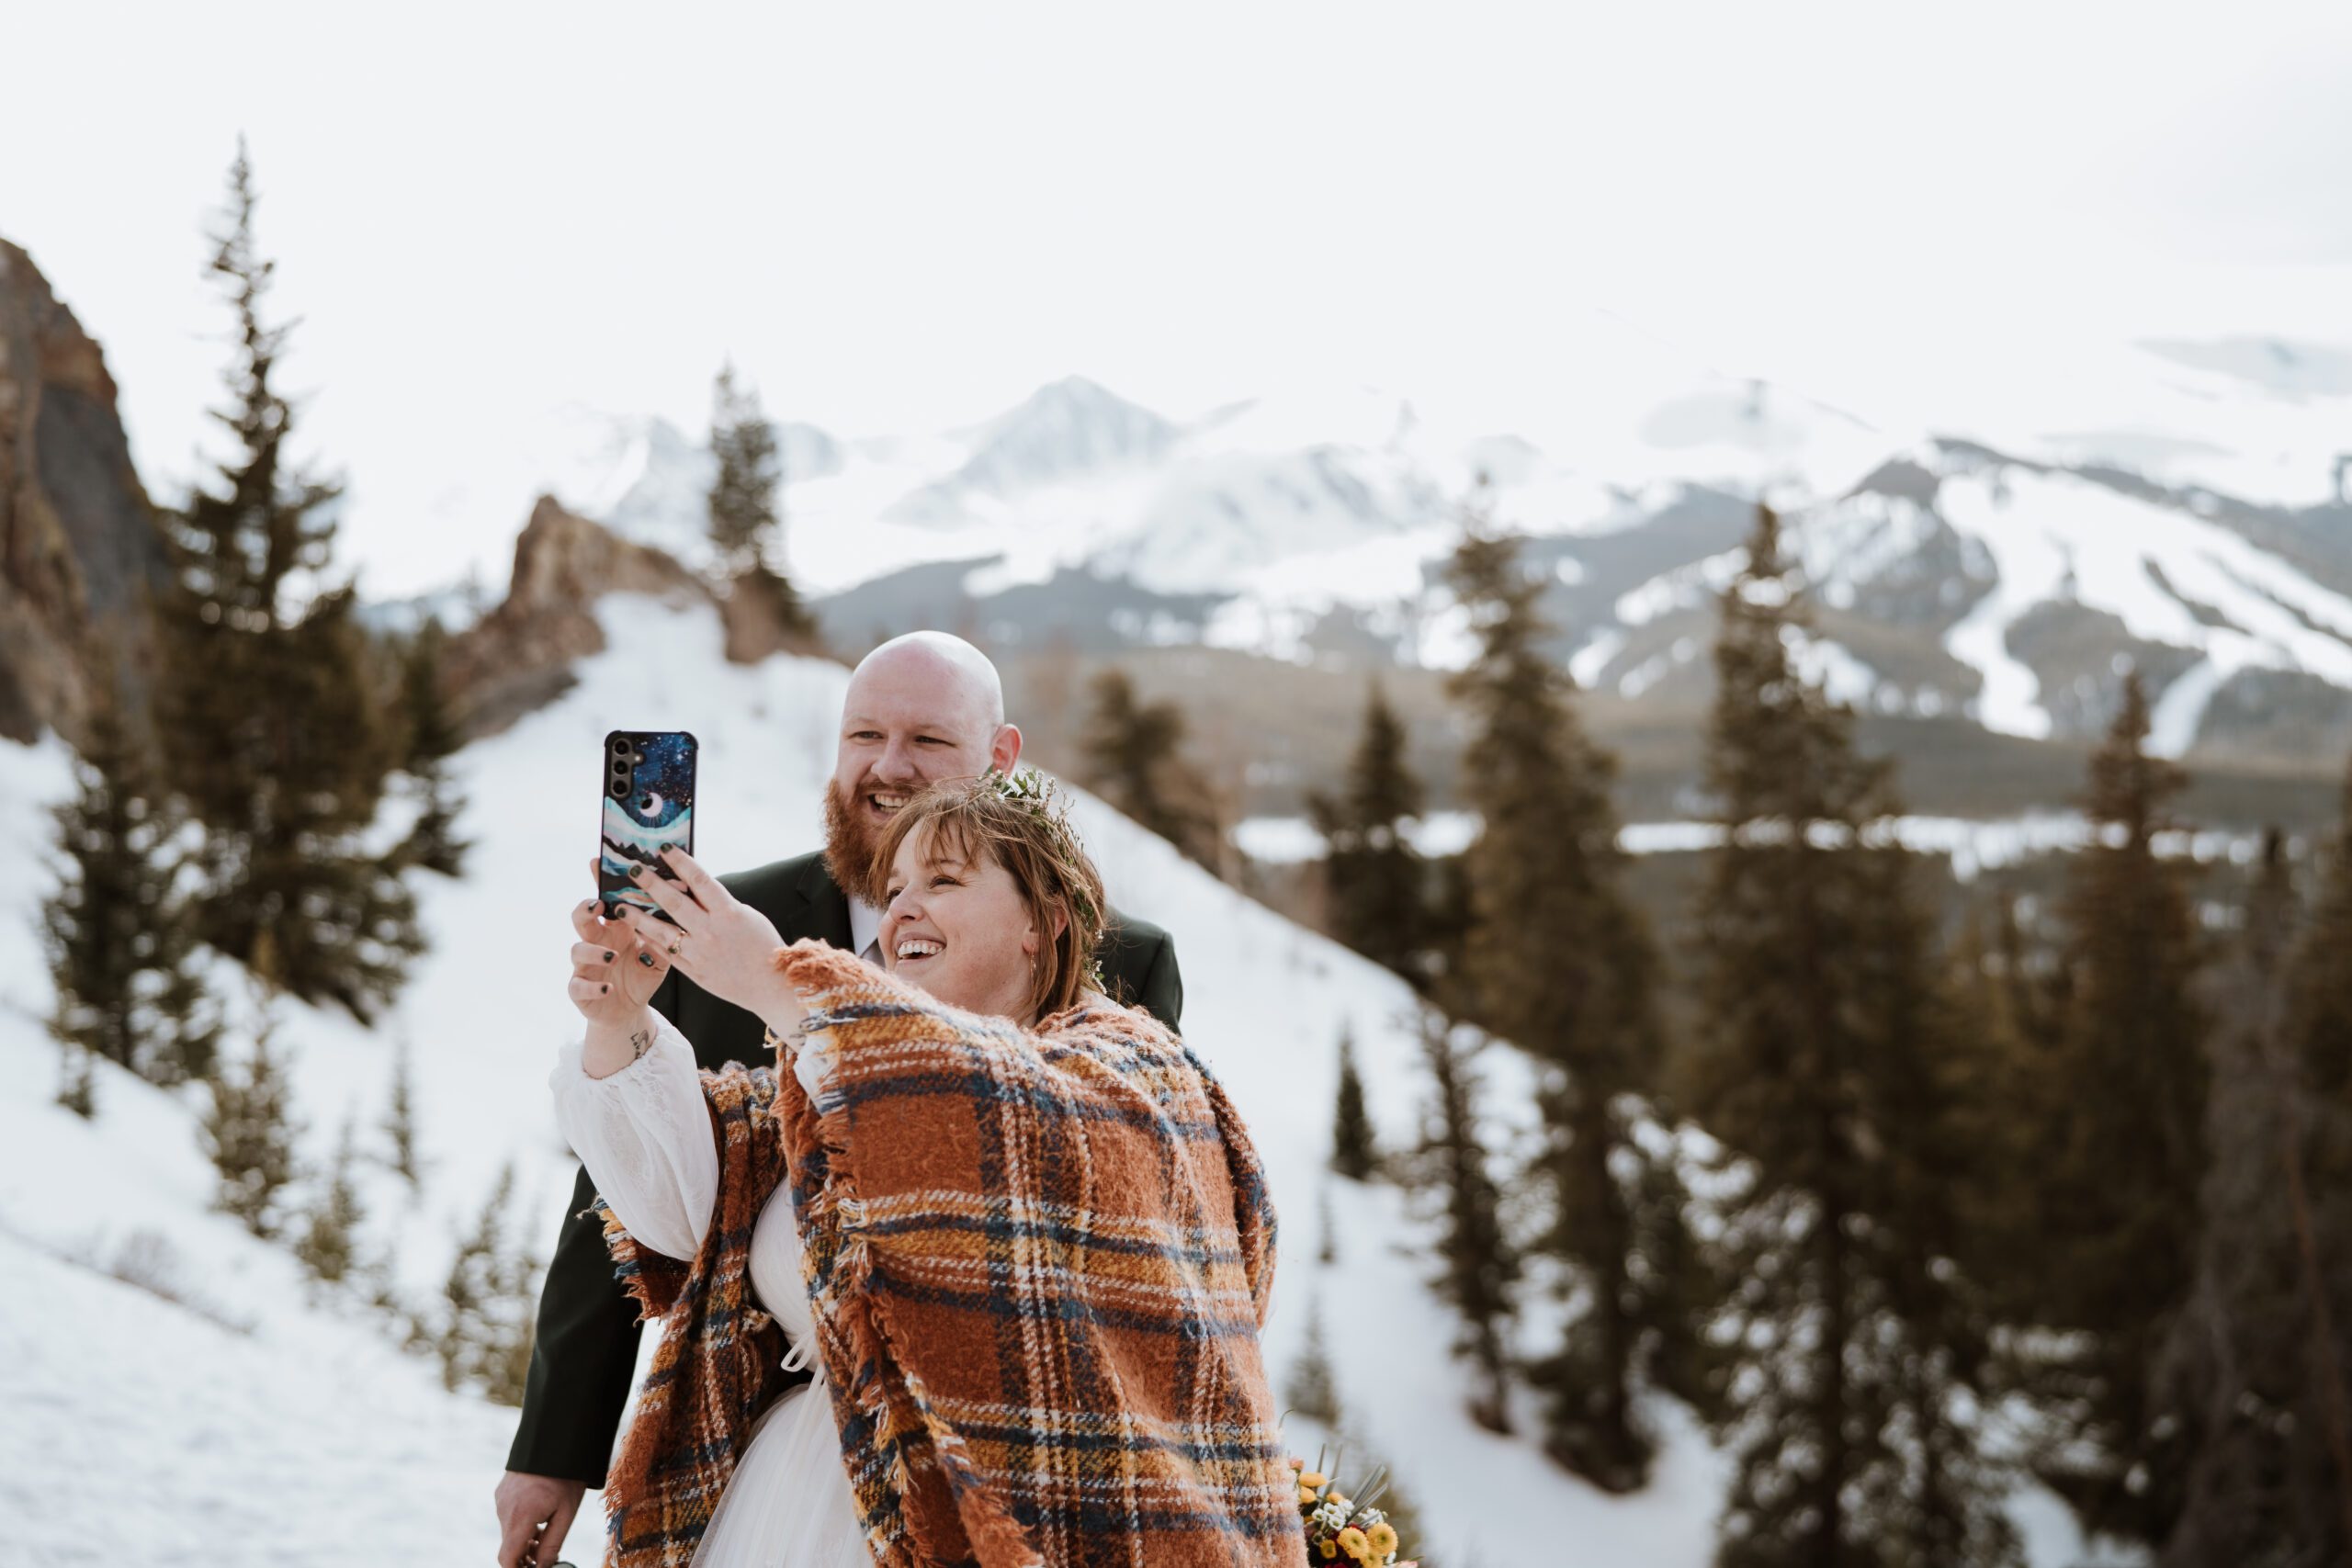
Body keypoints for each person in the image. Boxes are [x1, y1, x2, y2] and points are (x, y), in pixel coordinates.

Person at [497, 632, 1182, 1568]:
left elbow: (1111, 1218)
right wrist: (556, 1450)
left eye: (927, 742)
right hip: (770, 1470)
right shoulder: (723, 924)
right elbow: (638, 1201)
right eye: (863, 734)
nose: (887, 767)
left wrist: (778, 983)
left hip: (1000, 1485)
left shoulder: (1117, 964)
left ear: (1000, 758)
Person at [551, 776, 1297, 1567]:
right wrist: (621, 1020)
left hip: (994, 1520)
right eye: (895, 886)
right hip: (779, 1508)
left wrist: (774, 974)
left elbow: (997, 1111)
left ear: (1042, 925)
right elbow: (685, 1210)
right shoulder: (834, 1079)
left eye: (943, 880)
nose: (900, 907)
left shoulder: (1129, 1073)